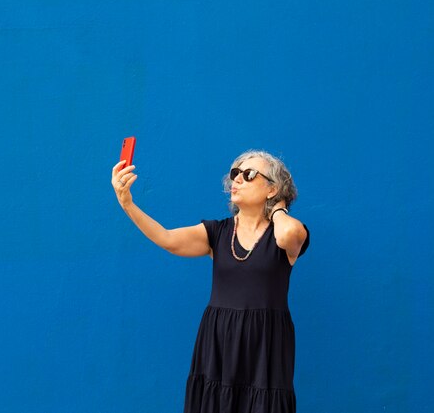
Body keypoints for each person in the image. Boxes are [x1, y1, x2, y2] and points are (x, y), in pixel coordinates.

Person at [111, 149, 310, 413]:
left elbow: (290, 234)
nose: (237, 180)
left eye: (248, 174)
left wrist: (278, 210)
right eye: (235, 173)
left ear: (272, 189)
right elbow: (168, 239)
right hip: (219, 340)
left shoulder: (283, 233)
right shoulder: (217, 232)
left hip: (265, 344)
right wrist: (127, 203)